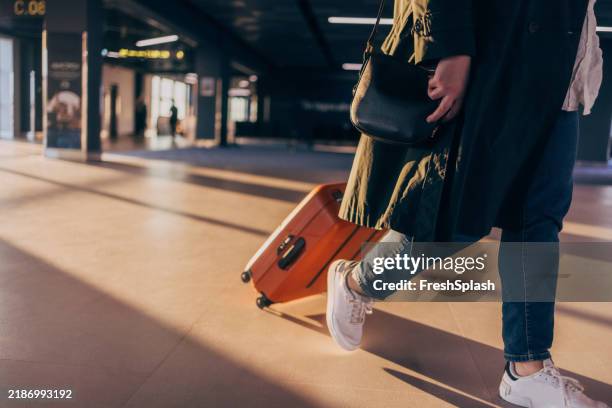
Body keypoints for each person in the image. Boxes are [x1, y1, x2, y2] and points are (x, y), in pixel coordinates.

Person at [326, 0, 607, 407]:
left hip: (561, 64)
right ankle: (357, 282)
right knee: (451, 223)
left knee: (538, 219)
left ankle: (526, 367)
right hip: (490, 53)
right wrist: (450, 47)